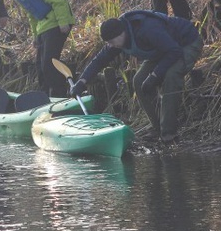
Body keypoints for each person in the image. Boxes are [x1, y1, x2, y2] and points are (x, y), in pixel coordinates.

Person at [70, 10, 202, 143]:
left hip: (186, 43)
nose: (110, 45)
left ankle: (169, 134)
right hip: (163, 50)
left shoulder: (147, 30)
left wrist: (155, 75)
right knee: (138, 81)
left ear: (120, 34)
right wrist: (82, 81)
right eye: (107, 42)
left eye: (111, 41)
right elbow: (99, 60)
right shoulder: (119, 37)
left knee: (171, 76)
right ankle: (158, 129)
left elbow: (174, 51)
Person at [0, 0, 75, 97]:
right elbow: (32, 13)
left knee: (50, 64)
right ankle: (45, 97)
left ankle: (61, 97)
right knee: (40, 67)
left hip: (56, 22)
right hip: (44, 25)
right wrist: (36, 36)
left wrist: (63, 21)